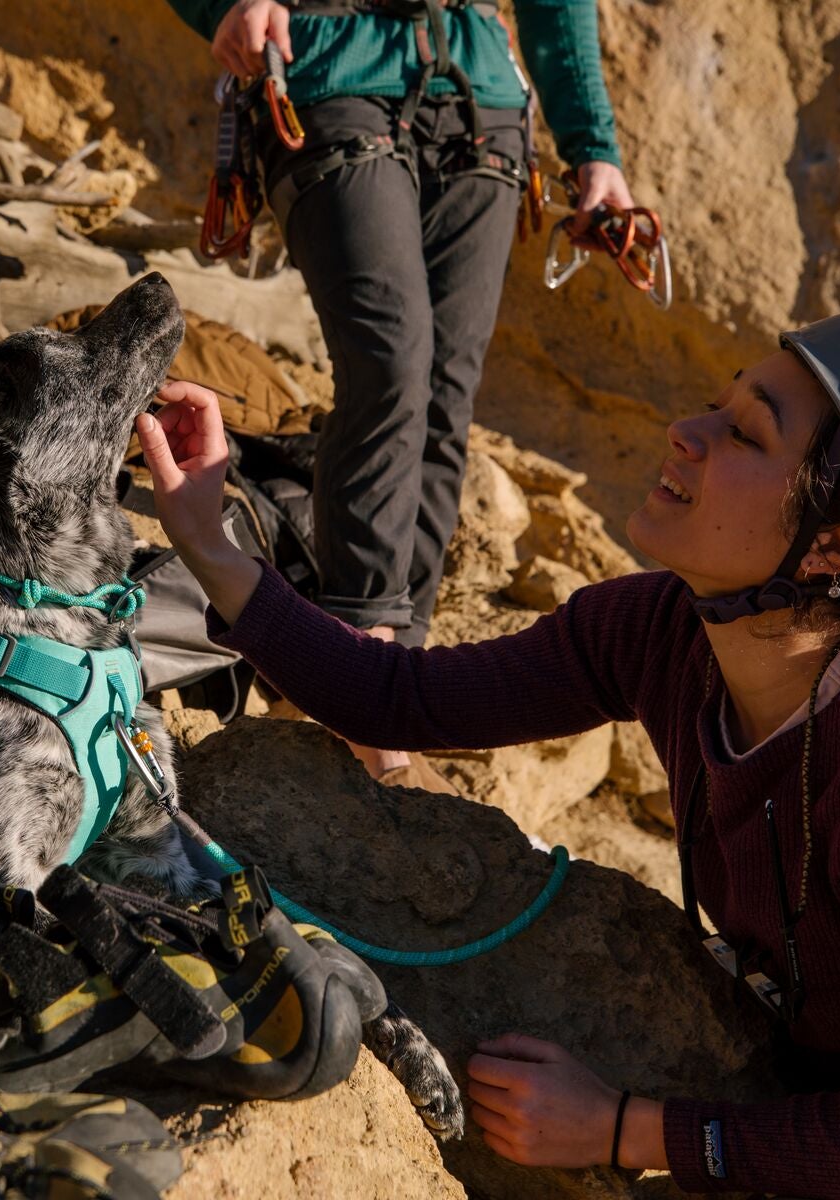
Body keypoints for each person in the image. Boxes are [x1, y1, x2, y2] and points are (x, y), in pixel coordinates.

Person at [134, 308, 840, 1199]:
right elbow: (400, 699)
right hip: (837, 1094)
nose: (686, 430)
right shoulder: (669, 633)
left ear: (836, 546)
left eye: (744, 432)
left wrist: (625, 1128)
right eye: (717, 402)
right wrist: (212, 542)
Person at [163, 0, 632, 789]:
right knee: (391, 361)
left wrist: (593, 146)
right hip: (327, 68)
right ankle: (357, 679)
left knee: (445, 394)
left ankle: (392, 682)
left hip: (482, 96)